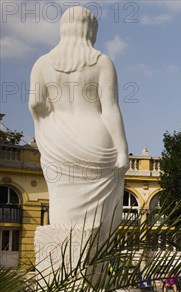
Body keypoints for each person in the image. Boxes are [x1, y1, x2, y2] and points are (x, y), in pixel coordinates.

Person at [29, 6, 129, 234]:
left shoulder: (42, 64)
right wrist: (122, 150)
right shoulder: (102, 62)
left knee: (62, 215)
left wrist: (47, 125)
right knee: (99, 224)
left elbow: (35, 104)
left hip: (59, 143)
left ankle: (63, 261)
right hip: (96, 139)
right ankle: (95, 262)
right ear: (90, 30)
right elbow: (110, 109)